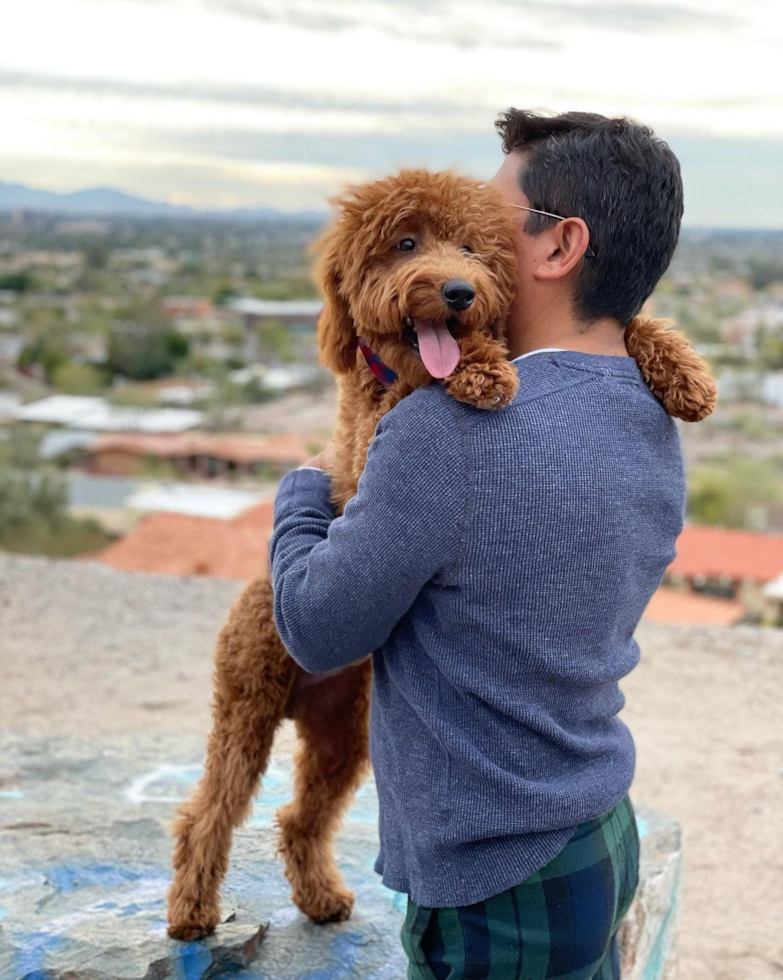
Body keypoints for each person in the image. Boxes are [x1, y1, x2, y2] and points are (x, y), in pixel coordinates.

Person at [269, 110, 686, 979]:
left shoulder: (446, 432)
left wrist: (305, 490)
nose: (462, 264)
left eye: (486, 230)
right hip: (597, 822)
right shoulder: (651, 408)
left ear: (559, 246)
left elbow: (316, 628)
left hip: (496, 876)